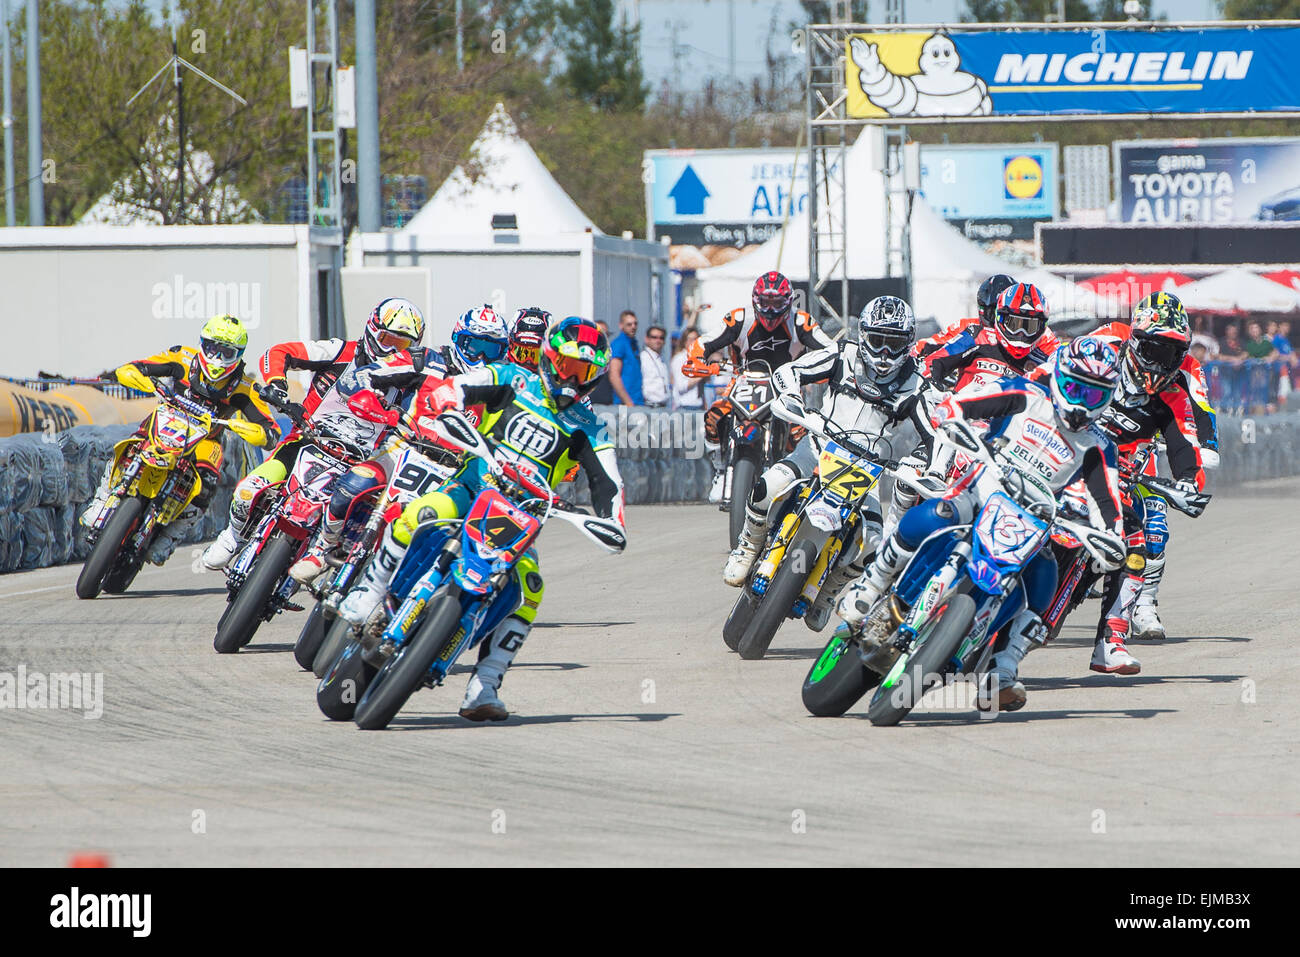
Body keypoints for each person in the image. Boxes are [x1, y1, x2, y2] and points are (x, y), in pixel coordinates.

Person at [337, 317, 627, 721]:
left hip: (520, 517)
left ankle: (484, 684)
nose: (573, 378)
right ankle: (370, 592)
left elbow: (609, 484)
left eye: (584, 372)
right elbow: (457, 387)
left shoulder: (590, 427)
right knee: (419, 513)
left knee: (531, 588)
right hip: (472, 486)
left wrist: (614, 519)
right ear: (549, 357)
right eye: (566, 365)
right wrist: (446, 401)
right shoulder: (513, 379)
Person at [838, 336, 1127, 710]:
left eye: (1093, 396)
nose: (1080, 404)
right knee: (938, 512)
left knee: (1045, 580)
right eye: (1074, 388)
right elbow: (967, 401)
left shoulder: (1099, 445)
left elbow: (1108, 500)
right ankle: (871, 583)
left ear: (1106, 400)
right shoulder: (1025, 393)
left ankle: (1003, 669)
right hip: (982, 487)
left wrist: (1111, 535)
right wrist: (951, 411)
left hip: (1032, 520)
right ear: (1058, 378)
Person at [724, 296, 934, 631]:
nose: (883, 352)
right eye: (877, 340)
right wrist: (793, 397)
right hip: (820, 445)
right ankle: (748, 546)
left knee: (875, 544)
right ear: (863, 334)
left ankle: (829, 590)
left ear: (907, 345)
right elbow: (790, 371)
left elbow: (935, 436)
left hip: (868, 470)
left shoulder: (917, 386)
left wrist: (921, 463)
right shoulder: (843, 354)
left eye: (893, 344)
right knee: (768, 486)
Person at [201, 297, 428, 570]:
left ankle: (327, 562)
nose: (393, 349)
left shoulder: (412, 382)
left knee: (363, 524)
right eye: (388, 339)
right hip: (308, 440)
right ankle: (233, 536)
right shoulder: (340, 351)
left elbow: (427, 418)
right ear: (372, 329)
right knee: (248, 491)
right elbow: (279, 351)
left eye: (402, 344)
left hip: (360, 464)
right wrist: (277, 384)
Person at [82, 315, 278, 565]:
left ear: (238, 354)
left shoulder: (245, 387)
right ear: (202, 343)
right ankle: (102, 499)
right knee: (133, 443)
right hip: (169, 418)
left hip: (207, 438)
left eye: (226, 352)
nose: (217, 358)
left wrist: (253, 431)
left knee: (208, 479)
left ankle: (171, 536)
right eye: (212, 348)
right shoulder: (181, 357)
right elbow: (138, 366)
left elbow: (270, 431)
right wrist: (134, 374)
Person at [1086, 300, 1208, 672]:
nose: (1160, 360)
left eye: (1171, 352)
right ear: (1136, 340)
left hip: (1123, 466)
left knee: (1139, 537)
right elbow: (1051, 371)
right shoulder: (1104, 345)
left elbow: (1185, 443)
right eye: (1154, 348)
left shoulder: (1174, 392)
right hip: (1070, 449)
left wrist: (1189, 482)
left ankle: (1113, 639)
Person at [683, 270, 835, 501]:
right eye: (766, 302)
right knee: (714, 417)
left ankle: (801, 482)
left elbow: (830, 349)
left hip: (787, 386)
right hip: (743, 379)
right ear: (756, 300)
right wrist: (698, 359)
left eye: (777, 303)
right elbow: (705, 341)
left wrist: (821, 370)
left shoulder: (801, 321)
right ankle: (721, 469)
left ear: (788, 301)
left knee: (801, 432)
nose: (771, 310)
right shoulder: (740, 318)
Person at [912, 273, 1016, 365]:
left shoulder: (1023, 338)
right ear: (985, 308)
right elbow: (933, 343)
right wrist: (918, 353)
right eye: (996, 311)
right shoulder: (968, 327)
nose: (1000, 318)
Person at [608, 310, 644, 406]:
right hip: (625, 404)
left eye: (635, 324)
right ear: (621, 325)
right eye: (629, 324)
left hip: (638, 401)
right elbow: (614, 376)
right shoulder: (619, 344)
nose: (633, 327)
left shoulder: (634, 344)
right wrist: (628, 402)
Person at [671, 328, 705, 409]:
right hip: (685, 405)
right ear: (684, 341)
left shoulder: (699, 359)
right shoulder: (679, 359)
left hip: (699, 405)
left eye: (696, 339)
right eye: (690, 339)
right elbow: (681, 387)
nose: (694, 342)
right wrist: (701, 375)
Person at [640, 325, 670, 407]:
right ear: (647, 339)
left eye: (661, 338)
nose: (658, 340)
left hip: (662, 405)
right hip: (649, 405)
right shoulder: (643, 358)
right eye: (654, 337)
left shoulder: (661, 360)